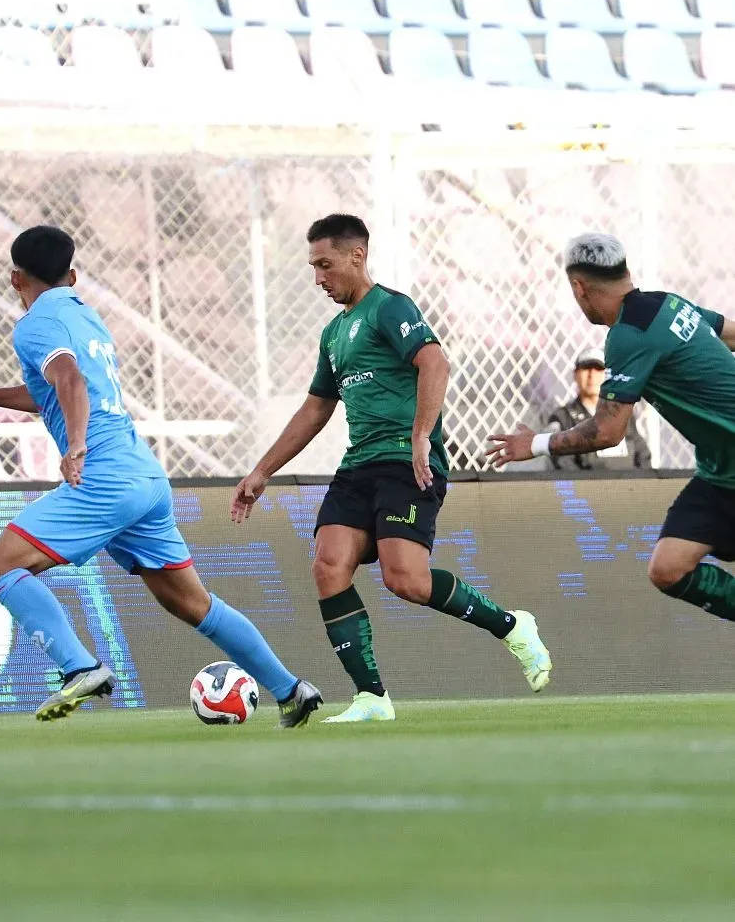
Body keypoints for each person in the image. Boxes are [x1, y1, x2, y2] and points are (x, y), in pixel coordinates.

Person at [0, 225, 322, 726]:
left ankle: (79, 666)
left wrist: (75, 445)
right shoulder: (87, 318)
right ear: (72, 276)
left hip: (103, 478)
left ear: (15, 279)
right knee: (194, 604)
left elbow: (69, 380)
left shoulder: (33, 325)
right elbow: (55, 389)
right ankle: (290, 689)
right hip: (144, 479)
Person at [230, 213, 552, 724]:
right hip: (359, 465)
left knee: (406, 581)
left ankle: (512, 626)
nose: (318, 278)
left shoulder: (390, 308)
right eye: (313, 267)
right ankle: (372, 697)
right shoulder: (334, 333)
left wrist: (421, 435)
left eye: (325, 265)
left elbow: (435, 362)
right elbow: (316, 408)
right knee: (327, 565)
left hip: (407, 463)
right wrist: (262, 470)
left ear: (357, 256)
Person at [487, 232, 735, 626]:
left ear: (578, 288)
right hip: (720, 472)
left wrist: (533, 444)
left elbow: (607, 431)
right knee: (669, 568)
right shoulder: (668, 304)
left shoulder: (628, 336)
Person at [547, 346, 652, 471]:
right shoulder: (563, 418)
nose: (592, 375)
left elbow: (642, 456)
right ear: (575, 375)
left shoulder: (623, 412)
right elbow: (564, 465)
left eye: (598, 369)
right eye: (586, 368)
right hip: (589, 489)